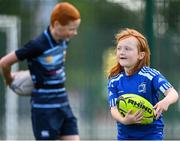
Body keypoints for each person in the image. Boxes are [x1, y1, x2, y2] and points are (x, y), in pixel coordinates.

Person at [0, 2, 81, 140]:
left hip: (63, 103)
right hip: (44, 109)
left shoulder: (64, 40)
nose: (74, 33)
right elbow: (4, 62)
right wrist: (8, 79)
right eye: (71, 29)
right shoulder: (37, 45)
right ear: (56, 25)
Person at [107, 28, 179, 140]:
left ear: (140, 55)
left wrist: (165, 102)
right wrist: (124, 120)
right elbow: (114, 109)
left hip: (151, 134)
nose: (122, 52)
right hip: (125, 136)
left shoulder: (150, 75)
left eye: (127, 49)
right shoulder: (114, 81)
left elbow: (173, 93)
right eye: (119, 48)